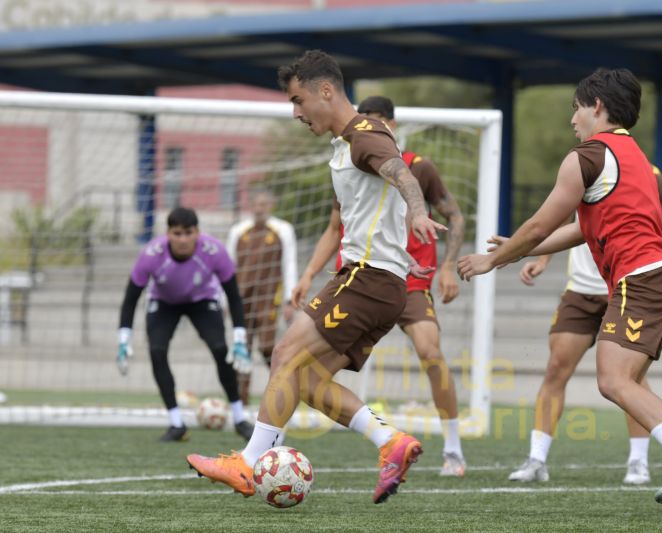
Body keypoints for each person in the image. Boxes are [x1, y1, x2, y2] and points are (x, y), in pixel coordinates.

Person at [187, 49, 446, 504]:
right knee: (304, 380)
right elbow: (364, 208)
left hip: (366, 278)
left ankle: (248, 463)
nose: (296, 113)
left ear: (325, 90)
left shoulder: (365, 135)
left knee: (285, 352)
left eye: (298, 100)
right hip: (379, 281)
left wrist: (419, 211)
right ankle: (391, 441)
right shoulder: (347, 145)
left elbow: (401, 172)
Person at [457, 68, 662, 515]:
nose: (572, 119)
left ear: (596, 106)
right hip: (661, 277)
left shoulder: (586, 156)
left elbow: (540, 223)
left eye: (575, 108)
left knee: (612, 380)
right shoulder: (636, 156)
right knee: (624, 381)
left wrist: (491, 260)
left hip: (640, 279)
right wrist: (521, 250)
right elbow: (580, 228)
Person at [291, 95, 468, 477]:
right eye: (364, 120)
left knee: (430, 351)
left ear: (392, 124)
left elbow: (454, 215)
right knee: (304, 372)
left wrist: (448, 266)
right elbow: (334, 228)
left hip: (410, 279)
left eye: (376, 121)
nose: (368, 128)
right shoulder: (347, 159)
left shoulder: (417, 167)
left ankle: (453, 448)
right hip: (359, 279)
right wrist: (307, 274)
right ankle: (382, 437)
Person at [508, 165, 662, 486]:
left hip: (625, 288)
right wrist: (542, 260)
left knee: (630, 378)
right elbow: (561, 214)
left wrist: (637, 266)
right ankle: (536, 459)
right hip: (581, 291)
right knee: (556, 369)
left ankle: (638, 462)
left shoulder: (649, 174)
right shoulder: (584, 166)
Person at [116, 206, 255, 442]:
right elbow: (130, 299)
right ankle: (176, 424)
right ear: (168, 234)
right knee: (157, 350)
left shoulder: (214, 251)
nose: (183, 239)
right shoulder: (151, 254)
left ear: (197, 233)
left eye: (188, 233)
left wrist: (240, 338)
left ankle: (240, 419)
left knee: (220, 349)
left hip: (202, 300)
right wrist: (123, 339)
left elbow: (233, 296)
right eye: (177, 233)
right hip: (164, 302)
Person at [226, 188, 298, 405]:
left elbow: (289, 264)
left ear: (271, 205)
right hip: (241, 300)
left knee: (267, 347)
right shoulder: (239, 231)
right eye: (257, 204)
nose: (260, 208)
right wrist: (225, 300)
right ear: (250, 205)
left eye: (264, 204)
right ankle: (241, 400)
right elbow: (228, 267)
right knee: (242, 348)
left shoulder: (283, 230)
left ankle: (282, 389)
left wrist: (289, 300)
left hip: (269, 299)